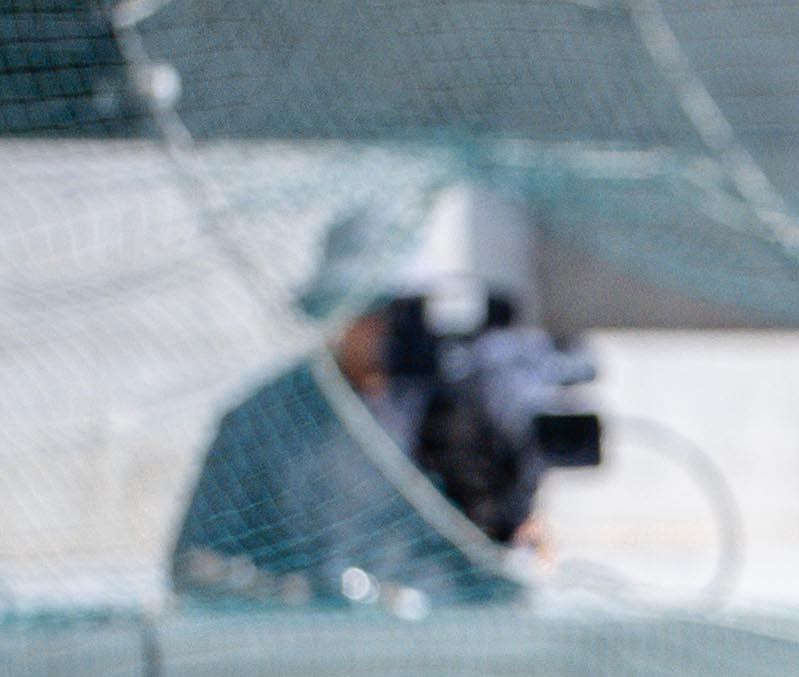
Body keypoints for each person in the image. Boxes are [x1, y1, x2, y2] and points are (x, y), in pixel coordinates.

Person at [171, 208, 587, 616]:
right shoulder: (266, 419)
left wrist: (525, 541)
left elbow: (509, 542)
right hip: (310, 655)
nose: (386, 329)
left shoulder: (464, 406)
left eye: (401, 311)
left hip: (453, 655)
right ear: (332, 310)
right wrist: (294, 597)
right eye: (369, 310)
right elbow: (196, 564)